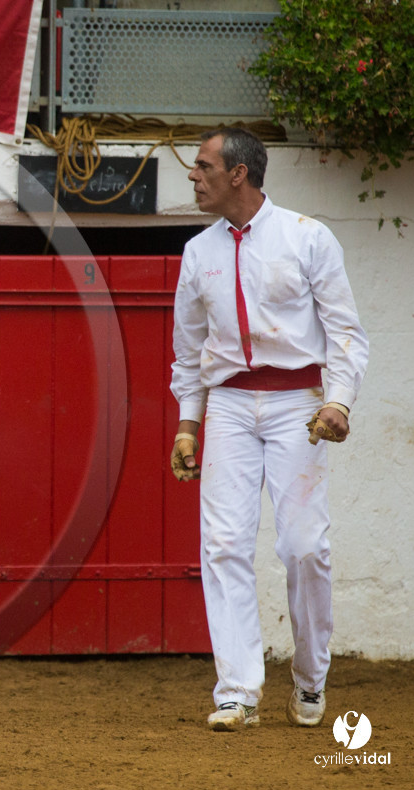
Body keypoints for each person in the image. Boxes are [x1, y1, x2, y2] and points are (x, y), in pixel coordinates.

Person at [168, 128, 369, 732]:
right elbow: (188, 351)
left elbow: (345, 333)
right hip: (228, 405)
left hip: (298, 405)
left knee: (304, 547)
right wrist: (187, 424)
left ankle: (311, 680)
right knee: (224, 544)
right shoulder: (197, 252)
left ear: (239, 174)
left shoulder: (308, 237)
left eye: (203, 167)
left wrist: (340, 402)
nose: (193, 176)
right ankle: (237, 690)